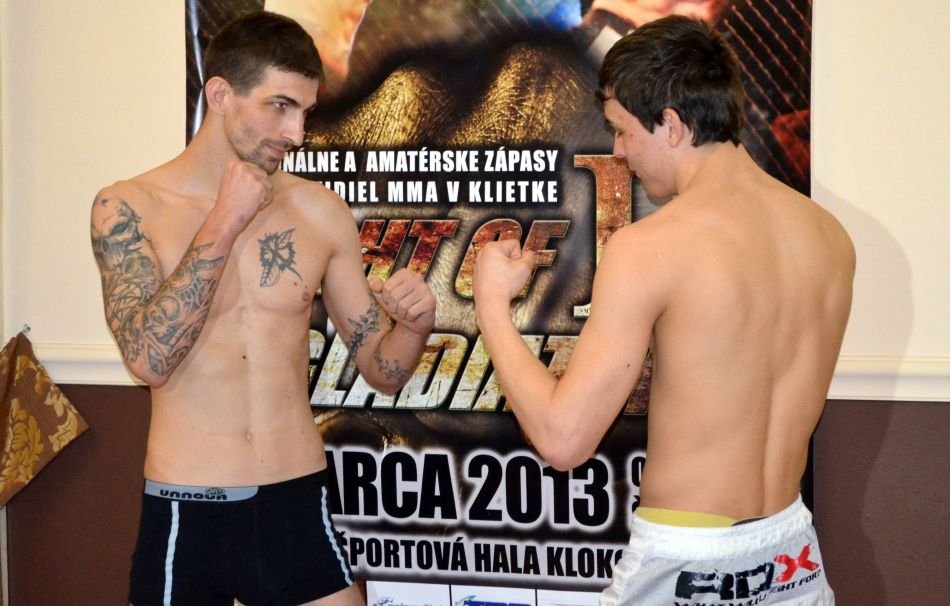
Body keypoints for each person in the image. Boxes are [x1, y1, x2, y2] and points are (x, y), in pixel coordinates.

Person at [473, 15, 852, 605]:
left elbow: (563, 440)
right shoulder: (829, 237)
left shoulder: (652, 247)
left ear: (671, 125)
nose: (618, 151)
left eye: (623, 131)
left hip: (688, 561)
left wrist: (491, 305)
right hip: (789, 556)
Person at [90, 11, 435, 606]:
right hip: (187, 508)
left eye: (305, 111)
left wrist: (414, 328)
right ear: (220, 95)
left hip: (295, 500)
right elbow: (148, 361)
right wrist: (224, 221)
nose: (297, 132)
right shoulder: (129, 207)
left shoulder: (319, 210)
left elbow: (384, 371)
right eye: (280, 106)